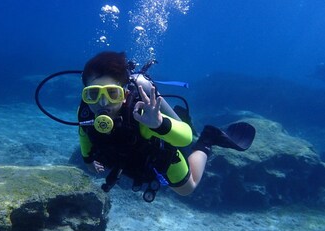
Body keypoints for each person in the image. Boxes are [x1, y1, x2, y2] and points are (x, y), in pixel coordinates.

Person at [77, 51, 255, 201]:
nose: (102, 103)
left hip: (157, 156)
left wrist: (159, 124)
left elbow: (185, 138)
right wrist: (87, 160)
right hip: (126, 159)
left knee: (188, 189)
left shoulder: (141, 114)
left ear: (125, 93)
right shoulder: (86, 112)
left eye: (111, 93)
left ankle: (207, 140)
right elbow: (84, 133)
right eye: (92, 94)